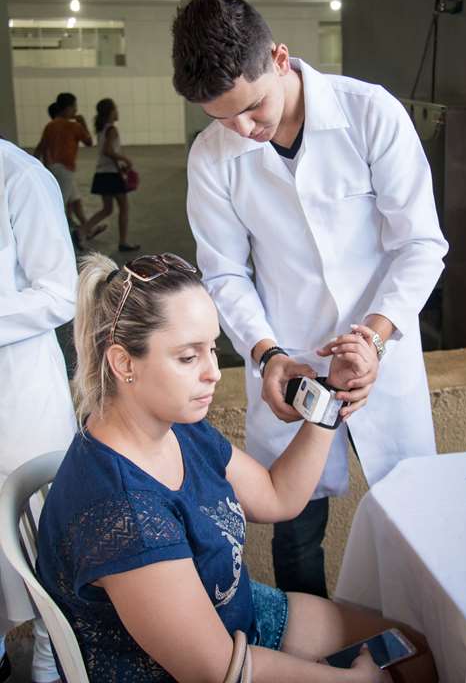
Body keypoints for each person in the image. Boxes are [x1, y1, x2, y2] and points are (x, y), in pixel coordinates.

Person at [36, 251, 436, 683]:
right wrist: (352, 681)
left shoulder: (176, 427)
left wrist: (330, 398)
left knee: (412, 651)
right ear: (124, 363)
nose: (214, 373)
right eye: (188, 357)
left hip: (242, 616)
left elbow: (276, 496)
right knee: (398, 669)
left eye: (212, 348)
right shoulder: (124, 512)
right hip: (212, 669)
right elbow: (216, 671)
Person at [172, 0, 449, 597]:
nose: (244, 130)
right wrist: (267, 353)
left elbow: (420, 244)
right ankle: (313, 640)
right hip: (289, 357)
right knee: (295, 529)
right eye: (222, 118)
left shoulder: (368, 113)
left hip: (381, 350)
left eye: (253, 107)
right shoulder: (213, 156)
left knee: (415, 515)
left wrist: (374, 338)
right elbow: (223, 274)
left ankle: (421, 634)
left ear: (279, 58)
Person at [0, 138, 77, 682]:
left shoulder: (18, 176)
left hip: (21, 406)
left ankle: (52, 672)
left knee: (49, 559)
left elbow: (60, 292)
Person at [35, 92, 103, 247]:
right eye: (74, 107)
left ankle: (87, 229)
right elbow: (89, 142)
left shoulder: (50, 125)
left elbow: (41, 147)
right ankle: (59, 238)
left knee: (76, 200)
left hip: (52, 167)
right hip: (65, 169)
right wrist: (83, 122)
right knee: (60, 205)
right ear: (67, 108)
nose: (75, 110)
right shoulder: (74, 126)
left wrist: (36, 167)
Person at [86, 98, 140, 252]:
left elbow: (106, 152)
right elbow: (108, 151)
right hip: (111, 174)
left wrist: (119, 165)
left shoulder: (102, 129)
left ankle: (82, 231)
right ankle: (123, 242)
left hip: (102, 173)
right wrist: (125, 159)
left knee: (107, 209)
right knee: (124, 207)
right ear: (109, 112)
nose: (117, 112)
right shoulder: (112, 129)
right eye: (115, 109)